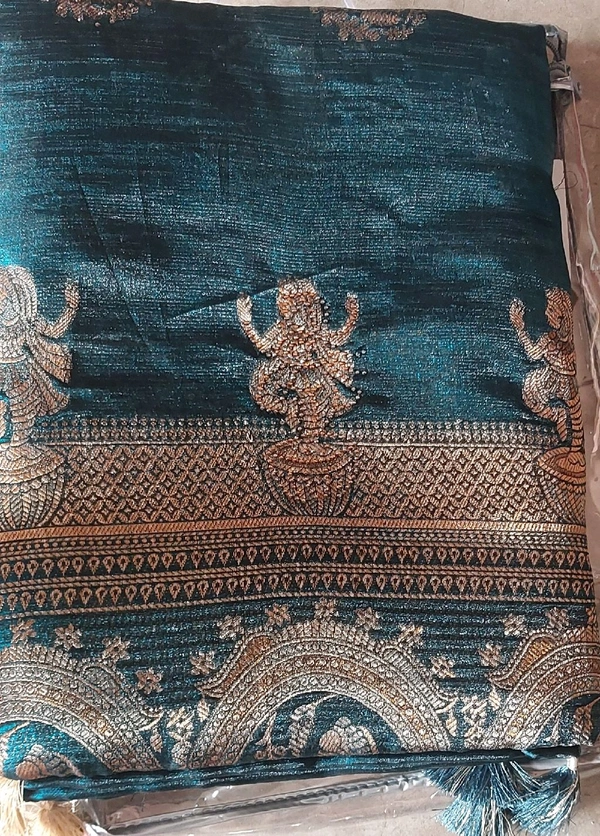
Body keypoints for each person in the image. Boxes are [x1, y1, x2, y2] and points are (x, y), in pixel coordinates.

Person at [0, 266, 79, 446]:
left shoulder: (26, 321)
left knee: (24, 412)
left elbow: (54, 331)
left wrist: (71, 307)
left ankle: (18, 446)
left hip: (20, 371)